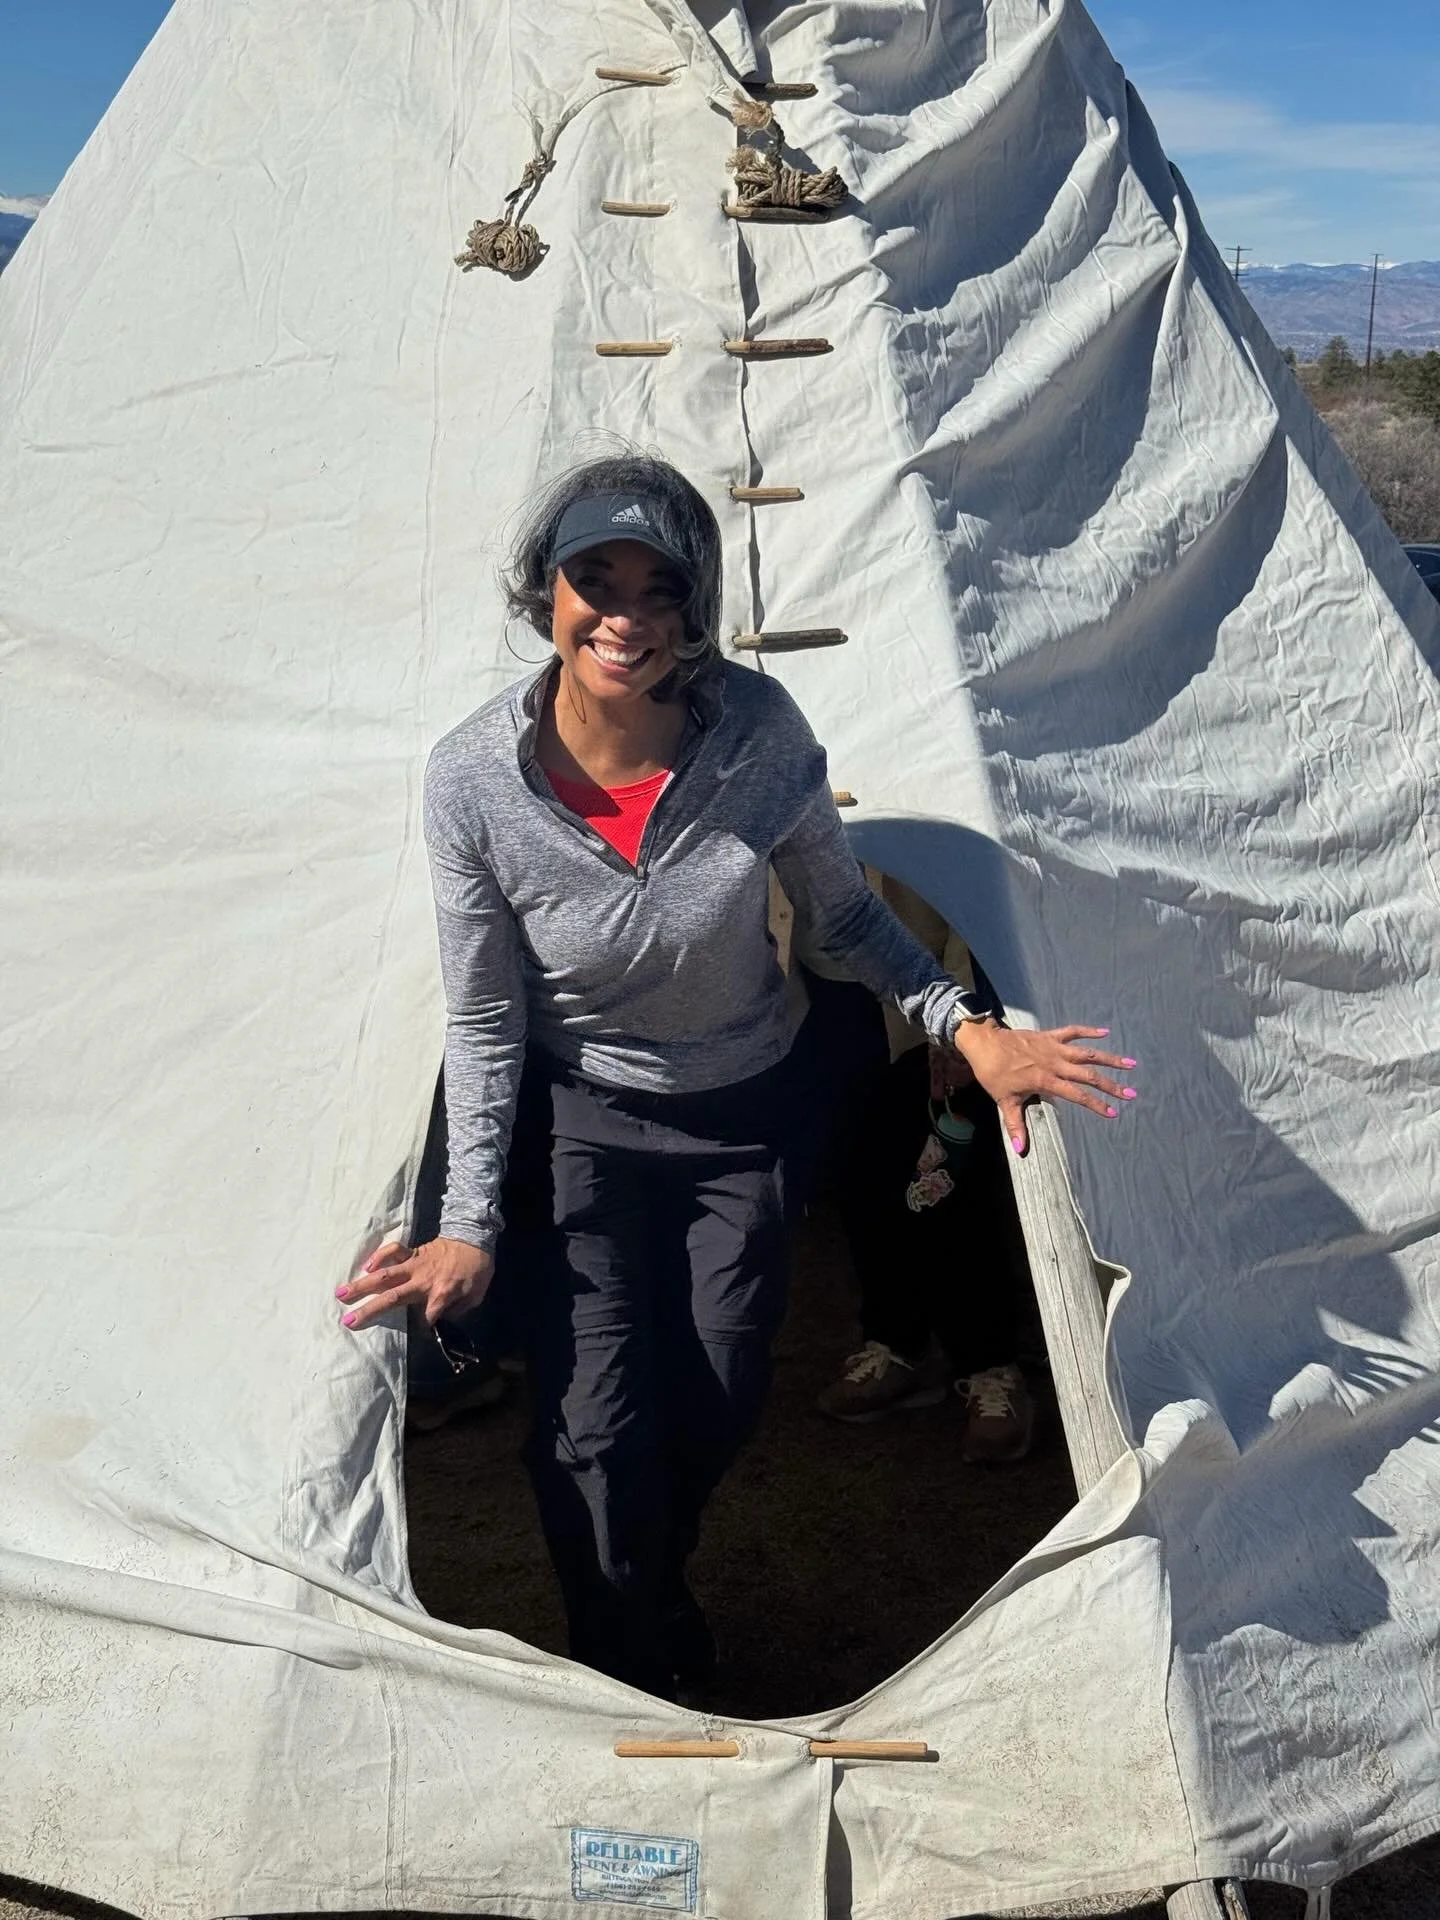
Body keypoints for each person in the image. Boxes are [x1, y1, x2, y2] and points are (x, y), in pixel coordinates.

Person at [335, 454, 1136, 1700]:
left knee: (714, 1389)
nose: (624, 616)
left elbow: (846, 924)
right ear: (542, 592)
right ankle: (639, 1661)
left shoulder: (758, 735)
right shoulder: (472, 777)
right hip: (581, 1119)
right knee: (594, 1427)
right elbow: (486, 1014)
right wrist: (469, 1225)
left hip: (742, 1118)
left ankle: (644, 1587)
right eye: (593, 579)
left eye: (660, 589)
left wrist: (969, 1028)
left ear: (696, 606)